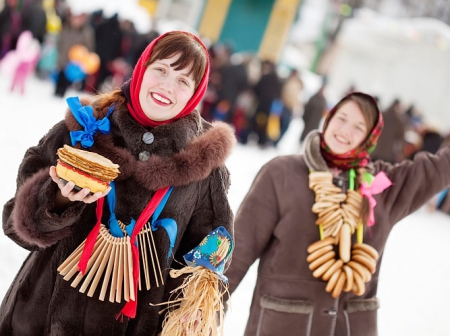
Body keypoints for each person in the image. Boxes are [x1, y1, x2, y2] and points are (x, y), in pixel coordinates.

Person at [0, 31, 235, 336]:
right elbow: (15, 225)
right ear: (141, 69)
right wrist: (57, 200)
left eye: (183, 81)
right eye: (161, 70)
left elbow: (211, 255)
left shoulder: (205, 166)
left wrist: (195, 307)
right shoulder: (80, 129)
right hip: (38, 321)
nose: (167, 86)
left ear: (194, 94)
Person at [224, 91, 450, 336]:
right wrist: (204, 307)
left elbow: (438, 169)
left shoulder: (383, 186)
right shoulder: (281, 174)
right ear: (329, 119)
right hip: (283, 325)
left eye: (358, 126)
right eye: (341, 119)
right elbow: (240, 249)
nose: (345, 130)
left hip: (351, 327)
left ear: (370, 137)